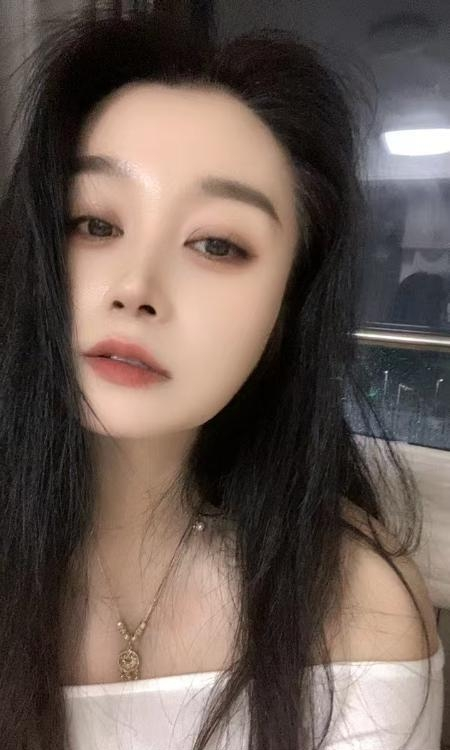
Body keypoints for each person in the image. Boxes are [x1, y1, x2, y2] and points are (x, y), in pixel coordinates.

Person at [0, 3, 444, 749]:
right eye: (96, 224)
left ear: (287, 308)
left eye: (216, 245)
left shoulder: (352, 609)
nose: (136, 287)